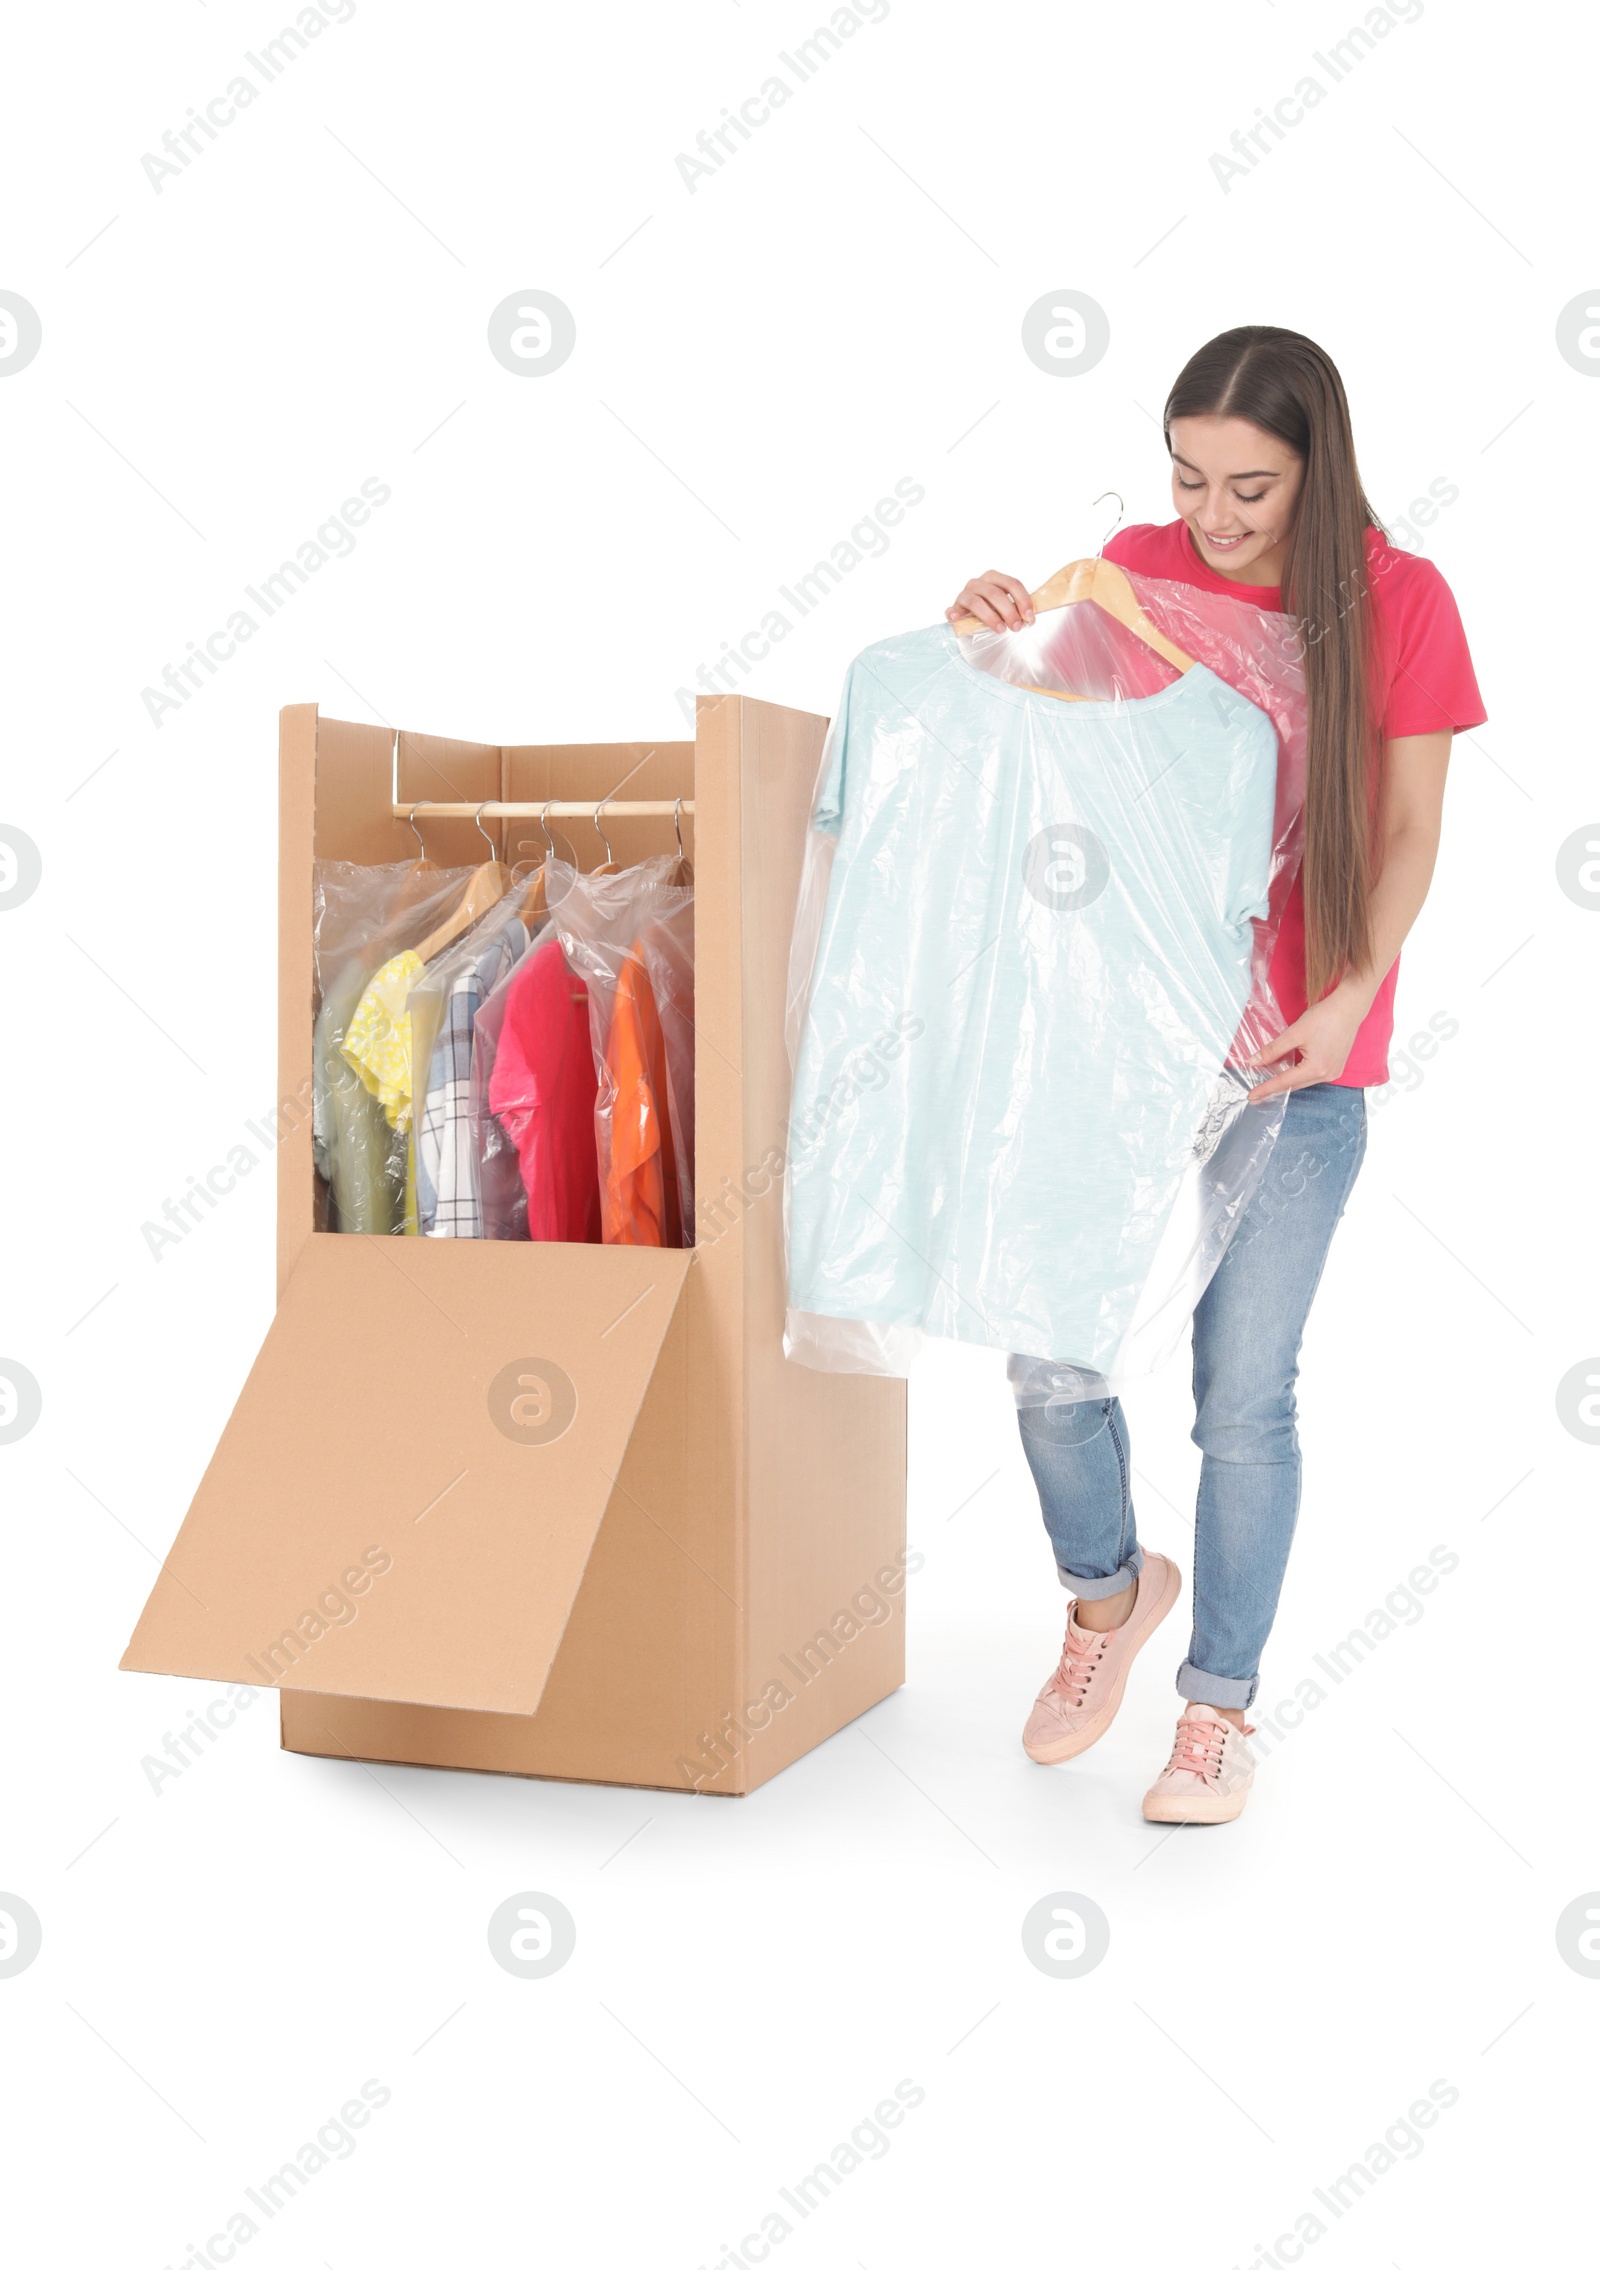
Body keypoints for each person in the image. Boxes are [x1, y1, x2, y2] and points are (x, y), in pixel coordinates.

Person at [946, 325, 1485, 1826]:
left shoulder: (1401, 599)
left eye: (1251, 486)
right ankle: (1109, 1595)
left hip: (1299, 1063)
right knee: (1052, 1361)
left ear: (1320, 465)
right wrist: (995, 624)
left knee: (1243, 1398)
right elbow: (1038, 728)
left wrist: (1355, 992)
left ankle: (1218, 1711)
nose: (1215, 517)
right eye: (1190, 480)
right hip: (1126, 1040)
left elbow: (1411, 832)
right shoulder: (1133, 567)